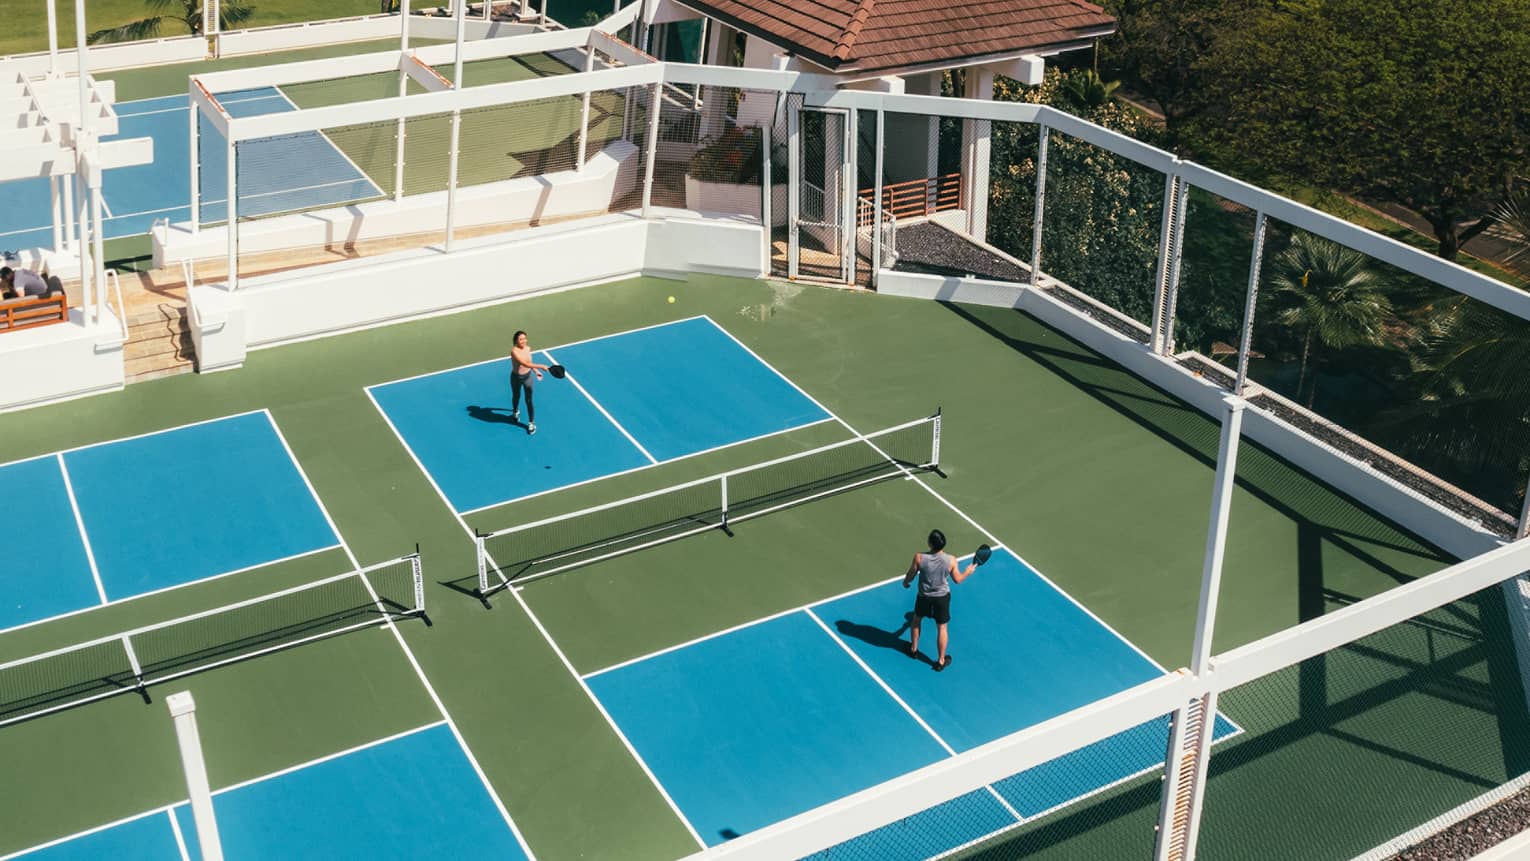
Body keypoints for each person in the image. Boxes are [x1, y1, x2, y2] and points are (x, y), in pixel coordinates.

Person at [902, 528, 978, 671]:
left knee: (917, 620)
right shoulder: (951, 560)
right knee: (942, 627)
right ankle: (941, 661)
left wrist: (906, 582)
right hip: (941, 599)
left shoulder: (919, 557)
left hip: (924, 597)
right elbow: (958, 580)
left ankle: (913, 650)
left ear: (930, 543)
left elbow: (911, 574)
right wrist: (968, 572)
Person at [509, 330, 551, 435]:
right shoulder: (514, 352)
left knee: (529, 400)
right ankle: (515, 412)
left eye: (524, 338)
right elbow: (524, 363)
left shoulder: (528, 348)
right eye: (521, 339)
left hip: (527, 378)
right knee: (516, 396)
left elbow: (529, 363)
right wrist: (541, 366)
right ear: (516, 340)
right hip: (516, 378)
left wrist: (536, 371)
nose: (523, 341)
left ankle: (531, 423)